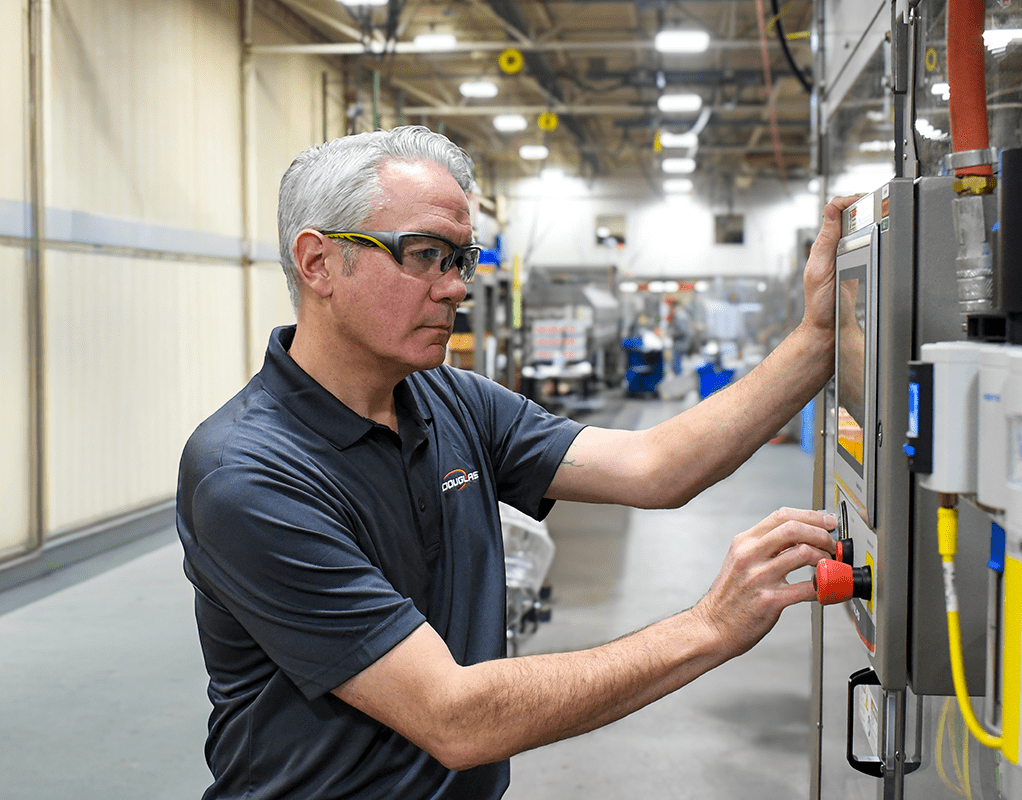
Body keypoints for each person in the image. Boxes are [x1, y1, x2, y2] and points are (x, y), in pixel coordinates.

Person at [176, 125, 859, 800]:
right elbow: (454, 716)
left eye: (459, 259)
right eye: (423, 254)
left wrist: (815, 339)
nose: (453, 288)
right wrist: (707, 626)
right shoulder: (247, 474)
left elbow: (653, 466)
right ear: (319, 263)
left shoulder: (448, 399)